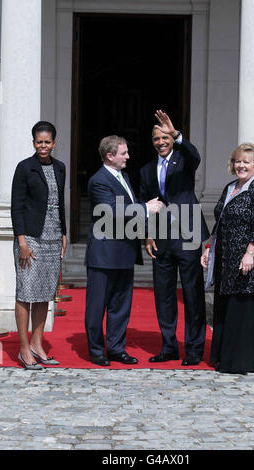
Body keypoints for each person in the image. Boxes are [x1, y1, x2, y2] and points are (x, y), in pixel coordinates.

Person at [85, 135, 163, 366]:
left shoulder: (124, 176)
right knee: (97, 307)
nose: (128, 156)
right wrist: (146, 207)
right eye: (123, 153)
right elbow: (111, 212)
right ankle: (97, 351)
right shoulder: (98, 180)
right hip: (104, 254)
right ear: (110, 156)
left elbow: (129, 210)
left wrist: (146, 233)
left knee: (121, 307)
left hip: (124, 252)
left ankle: (117, 348)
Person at [140, 110, 210, 366]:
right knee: (164, 295)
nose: (161, 142)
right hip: (161, 238)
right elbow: (144, 203)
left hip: (188, 234)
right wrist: (147, 235)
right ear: (152, 141)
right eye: (157, 138)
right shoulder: (147, 170)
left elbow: (196, 156)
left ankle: (193, 348)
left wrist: (177, 134)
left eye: (165, 137)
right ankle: (168, 345)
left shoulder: (183, 160)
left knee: (192, 293)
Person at [201, 143, 254, 374]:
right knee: (226, 307)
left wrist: (250, 253)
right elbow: (220, 219)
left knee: (242, 309)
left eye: (246, 161)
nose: (241, 165)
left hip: (248, 259)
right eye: (237, 161)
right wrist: (208, 247)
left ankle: (240, 361)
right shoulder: (231, 186)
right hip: (226, 257)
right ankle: (224, 357)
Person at [11, 121, 67, 370]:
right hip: (31, 238)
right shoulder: (25, 168)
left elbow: (61, 202)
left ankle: (37, 344)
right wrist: (21, 240)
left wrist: (64, 233)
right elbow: (17, 207)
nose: (43, 146)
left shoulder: (60, 167)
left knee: (45, 294)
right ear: (33, 142)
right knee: (26, 294)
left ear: (54, 143)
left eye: (47, 142)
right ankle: (24, 349)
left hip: (54, 238)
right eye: (39, 142)